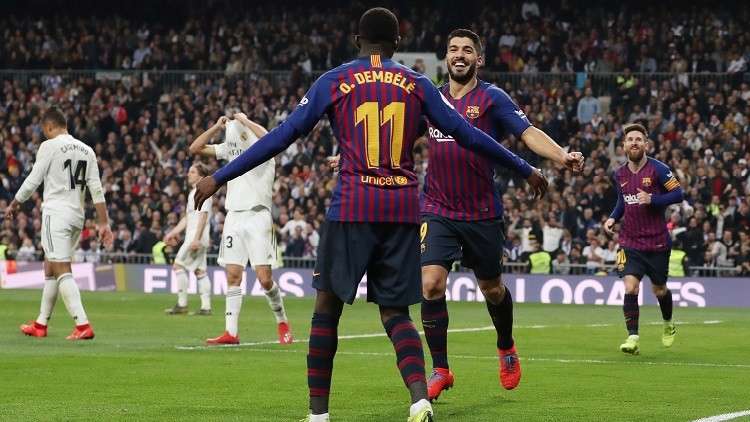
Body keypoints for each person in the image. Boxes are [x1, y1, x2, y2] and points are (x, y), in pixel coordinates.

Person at [193, 8, 548, 422]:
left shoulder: (334, 80)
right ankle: (419, 400)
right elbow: (469, 135)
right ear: (397, 43)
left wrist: (219, 176)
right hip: (401, 210)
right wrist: (525, 168)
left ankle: (318, 414)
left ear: (357, 41)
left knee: (327, 309)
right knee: (396, 312)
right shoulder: (418, 83)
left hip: (353, 208)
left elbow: (282, 136)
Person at [418, 28, 584, 399]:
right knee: (430, 283)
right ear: (446, 57)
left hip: (481, 212)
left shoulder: (492, 97)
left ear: (479, 59)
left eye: (467, 50)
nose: (459, 55)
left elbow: (527, 132)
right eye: (453, 49)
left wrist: (561, 156)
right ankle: (441, 369)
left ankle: (506, 345)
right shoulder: (431, 97)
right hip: (437, 208)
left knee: (492, 289)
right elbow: (399, 132)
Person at [6, 107, 113, 340]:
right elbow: (96, 189)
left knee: (61, 268)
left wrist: (15, 203)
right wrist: (104, 222)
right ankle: (40, 324)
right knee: (51, 267)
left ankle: (82, 325)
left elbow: (33, 179)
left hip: (56, 214)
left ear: (49, 127)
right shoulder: (87, 150)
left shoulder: (49, 146)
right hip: (76, 216)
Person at [189, 113, 292, 346]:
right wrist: (216, 126)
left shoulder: (265, 150)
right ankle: (231, 332)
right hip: (234, 216)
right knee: (233, 275)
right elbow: (195, 148)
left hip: (258, 216)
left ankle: (282, 322)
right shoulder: (230, 150)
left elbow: (269, 137)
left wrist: (244, 121)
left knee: (264, 279)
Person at [604, 123, 684, 355]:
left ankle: (668, 323)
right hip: (629, 241)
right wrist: (612, 217)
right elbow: (623, 201)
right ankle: (633, 337)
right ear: (624, 145)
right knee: (630, 286)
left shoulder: (659, 169)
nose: (634, 143)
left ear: (646, 145)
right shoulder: (619, 174)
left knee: (659, 290)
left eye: (639, 139)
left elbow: (678, 194)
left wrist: (653, 200)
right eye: (630, 139)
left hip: (657, 241)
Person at [163, 163, 213, 316]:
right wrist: (172, 232)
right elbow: (188, 218)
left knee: (178, 265)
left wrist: (196, 239)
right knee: (200, 270)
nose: (188, 174)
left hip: (196, 237)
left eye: (192, 172)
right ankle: (206, 307)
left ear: (201, 176)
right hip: (197, 236)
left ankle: (182, 304)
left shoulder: (203, 191)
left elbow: (203, 216)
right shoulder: (194, 193)